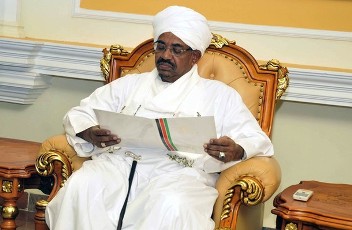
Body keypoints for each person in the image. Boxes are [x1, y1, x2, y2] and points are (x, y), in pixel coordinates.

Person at [45, 5, 274, 230]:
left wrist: (236, 149)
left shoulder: (219, 95)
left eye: (176, 49)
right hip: (119, 164)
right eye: (161, 47)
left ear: (194, 57)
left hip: (180, 175)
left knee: (171, 204)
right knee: (82, 185)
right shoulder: (130, 85)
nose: (165, 55)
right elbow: (79, 113)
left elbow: (255, 138)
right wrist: (89, 132)